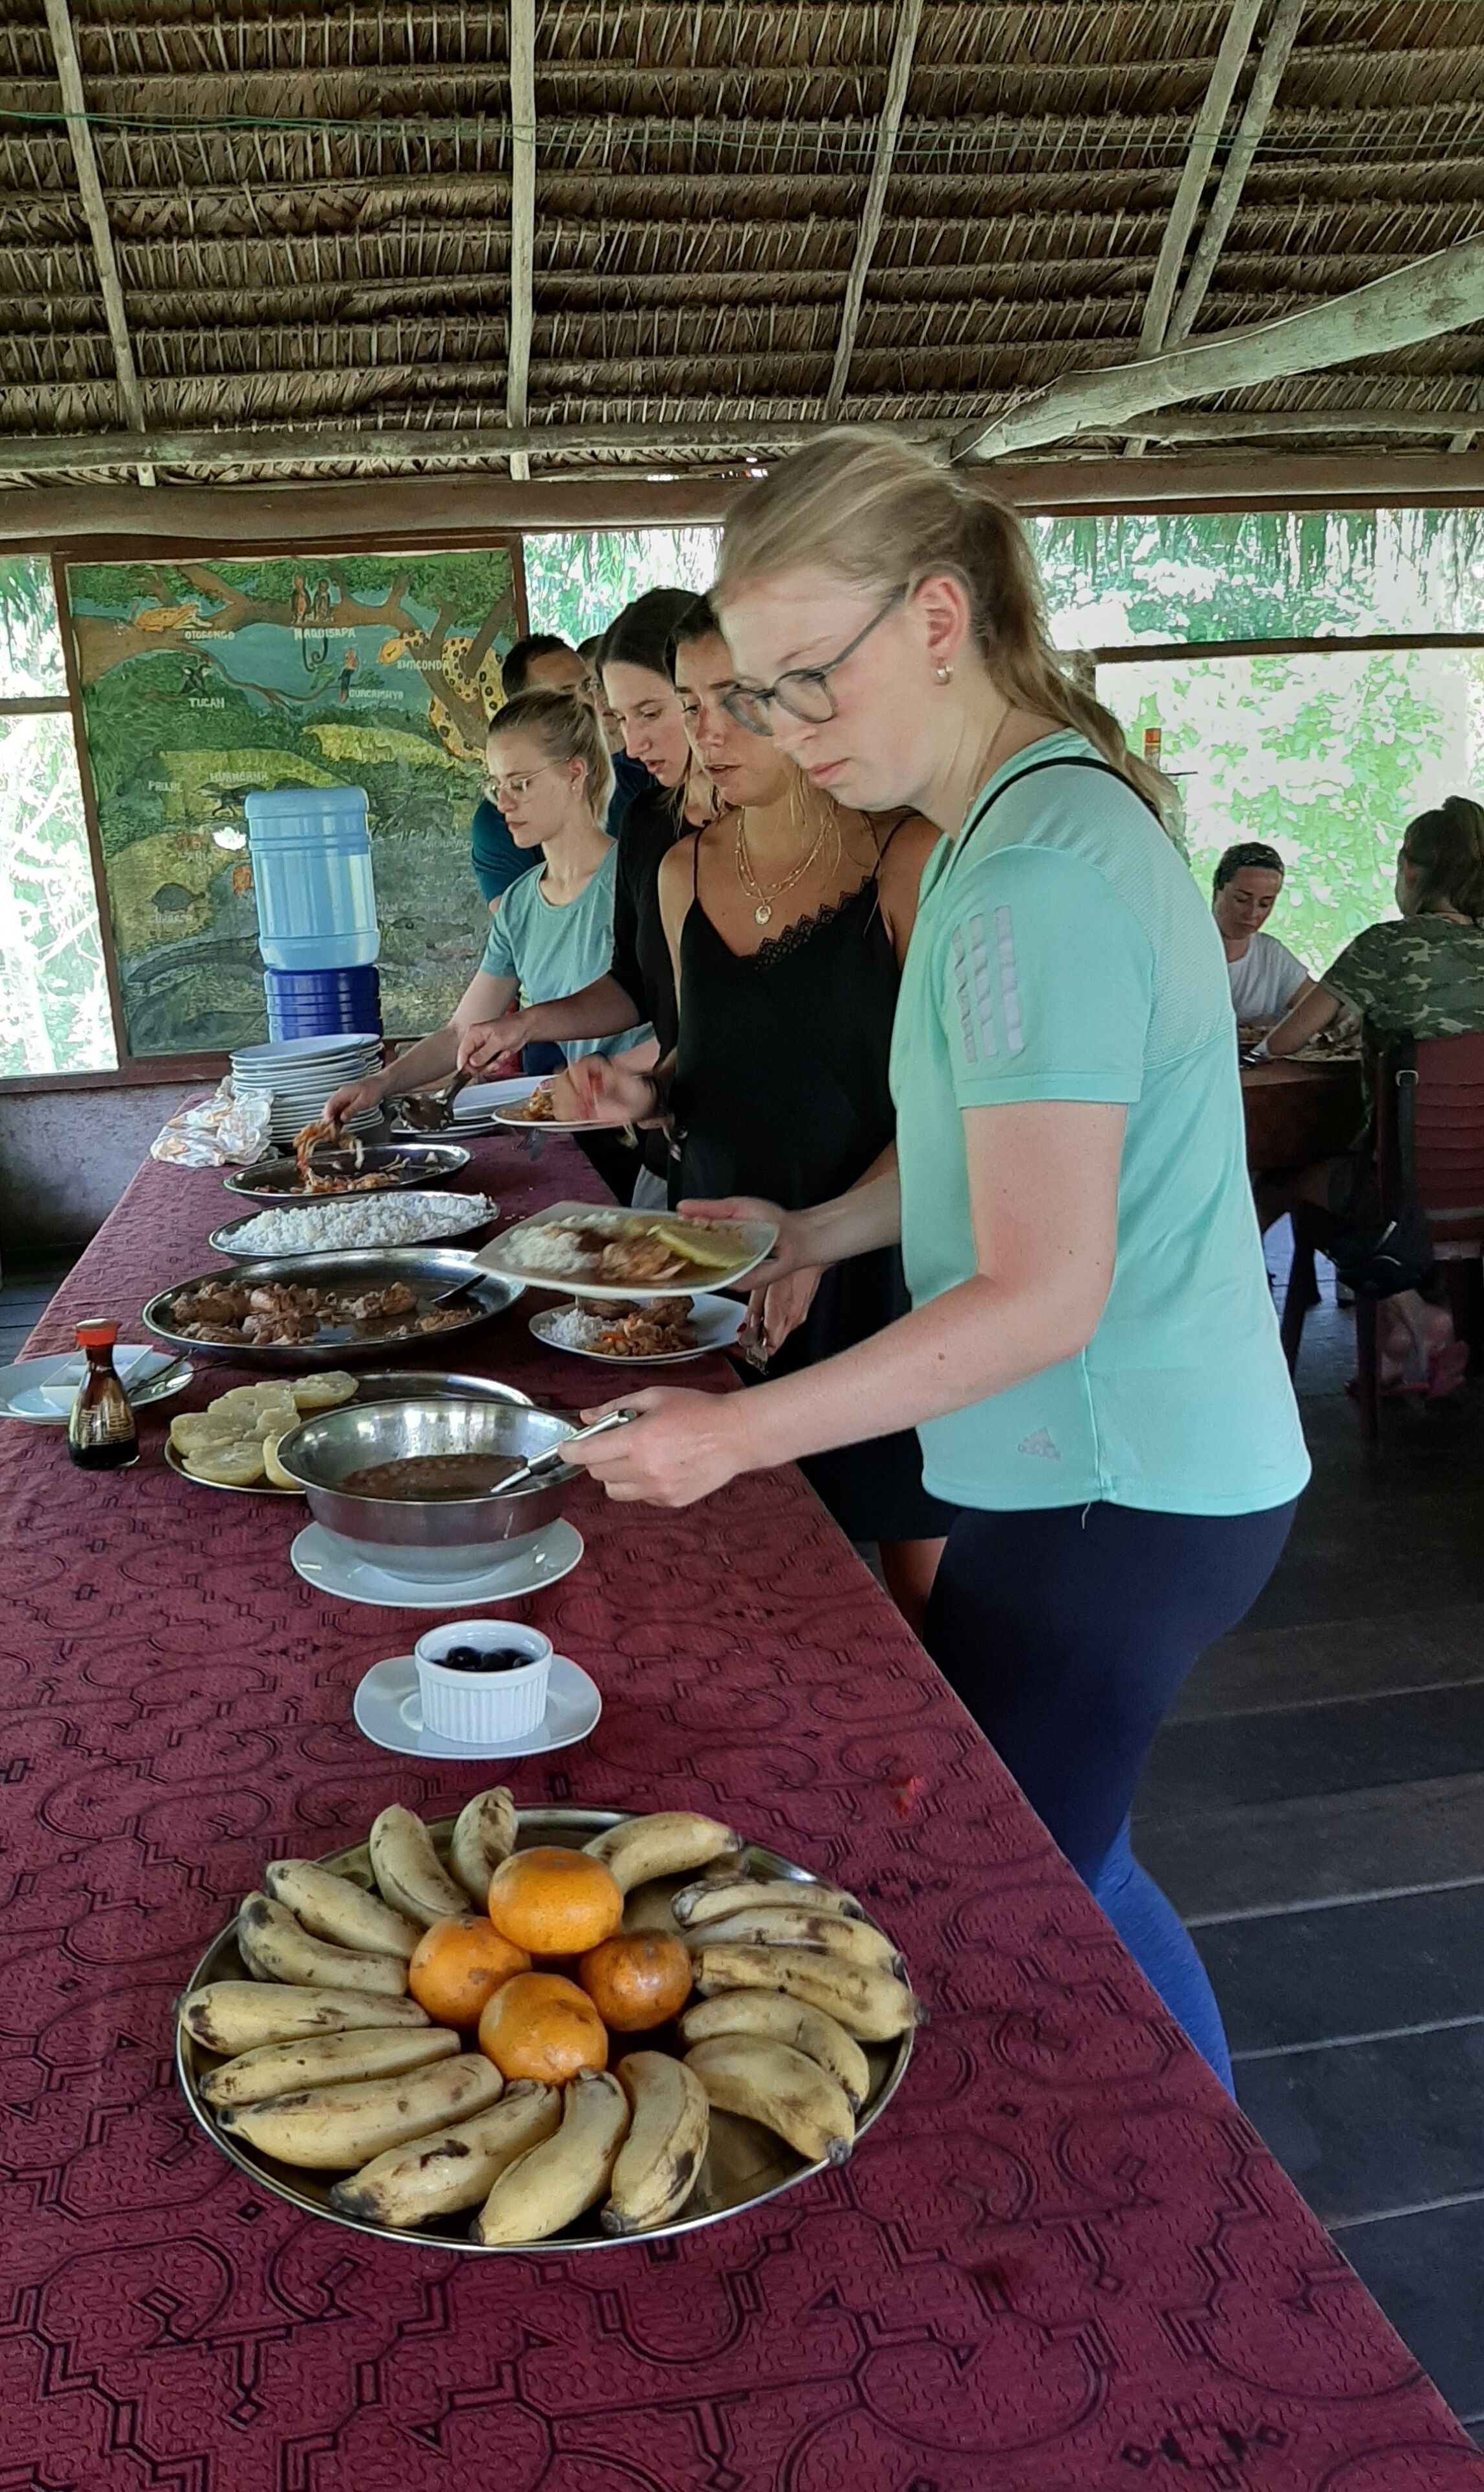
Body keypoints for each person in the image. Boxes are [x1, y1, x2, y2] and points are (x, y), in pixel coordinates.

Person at [563, 436, 1310, 2094]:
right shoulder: (1013, 815)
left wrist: (735, 1435)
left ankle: (1182, 2195)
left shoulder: (1022, 876)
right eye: (751, 695)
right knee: (1064, 1855)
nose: (782, 727)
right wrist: (812, 1228)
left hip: (1117, 1481)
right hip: (1124, 1467)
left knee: (1002, 1882)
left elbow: (1048, 1286)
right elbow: (993, 1160)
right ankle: (1200, 2159)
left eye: (805, 678)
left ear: (938, 618)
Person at [560, 596, 951, 1628]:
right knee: (736, 1574)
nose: (708, 734)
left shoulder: (908, 859)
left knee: (918, 1589)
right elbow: (709, 1055)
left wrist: (823, 1238)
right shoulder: (683, 868)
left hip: (887, 1270)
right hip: (719, 1256)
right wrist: (641, 1089)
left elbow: (951, 1110)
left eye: (735, 700)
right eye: (689, 706)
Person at [457, 590, 704, 1206]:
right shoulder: (651, 822)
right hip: (671, 1142)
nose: (631, 744)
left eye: (650, 713)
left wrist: (638, 1076)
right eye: (619, 720)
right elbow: (639, 989)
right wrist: (534, 1024)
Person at [328, 689, 651, 1127]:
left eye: (521, 783)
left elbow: (682, 1026)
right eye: (496, 785)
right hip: (585, 1119)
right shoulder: (520, 902)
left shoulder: (638, 876)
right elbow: (464, 1031)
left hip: (649, 1114)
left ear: (575, 774)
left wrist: (611, 1079)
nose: (503, 803)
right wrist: (382, 1084)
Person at [1260, 795, 1484, 1396]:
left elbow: (1284, 1042)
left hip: (1402, 1191)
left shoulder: (1384, 948)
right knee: (1364, 1181)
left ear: (1409, 871)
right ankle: (1393, 1346)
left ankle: (1412, 1313)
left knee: (1286, 1183)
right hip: (1477, 1185)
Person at [469, 635, 651, 907]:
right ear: (525, 710)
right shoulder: (498, 820)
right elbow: (521, 932)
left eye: (587, 686)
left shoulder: (640, 772)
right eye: (564, 696)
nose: (589, 702)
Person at [1211, 840, 1316, 1025]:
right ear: (1218, 890)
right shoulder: (1185, 949)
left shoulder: (1271, 955)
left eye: (1265, 904)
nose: (1252, 913)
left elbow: (1316, 1006)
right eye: (1242, 900)